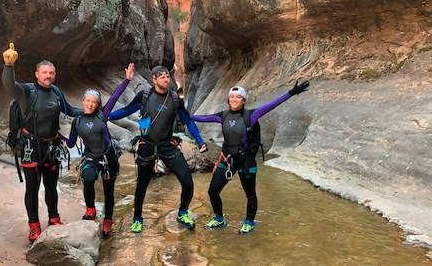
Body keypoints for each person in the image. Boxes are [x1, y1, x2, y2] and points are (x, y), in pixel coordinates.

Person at [190, 80, 309, 234]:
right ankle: (219, 219)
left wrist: (291, 93)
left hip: (246, 161)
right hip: (228, 161)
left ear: (243, 100)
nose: (234, 99)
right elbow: (203, 118)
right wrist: (182, 114)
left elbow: (271, 105)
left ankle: (249, 222)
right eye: (232, 97)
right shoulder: (223, 116)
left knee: (250, 194)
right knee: (213, 191)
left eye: (238, 97)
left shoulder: (251, 115)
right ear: (228, 100)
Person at [109, 65, 208, 233]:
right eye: (161, 77)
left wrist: (200, 141)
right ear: (154, 80)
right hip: (146, 146)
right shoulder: (145, 97)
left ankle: (182, 213)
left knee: (187, 182)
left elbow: (188, 122)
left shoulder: (175, 100)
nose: (166, 79)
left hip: (167, 146)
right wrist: (105, 116)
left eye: (168, 77)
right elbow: (125, 111)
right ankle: (138, 218)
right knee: (142, 185)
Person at [2, 43, 84, 245]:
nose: (49, 76)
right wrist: (8, 65)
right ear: (37, 74)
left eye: (52, 72)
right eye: (45, 72)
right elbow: (9, 85)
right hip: (30, 147)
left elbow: (71, 111)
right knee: (32, 187)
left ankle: (54, 218)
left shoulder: (56, 92)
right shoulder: (26, 92)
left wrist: (94, 110)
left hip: (52, 146)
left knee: (51, 186)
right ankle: (34, 225)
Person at [60, 63, 135, 237]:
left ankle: (107, 221)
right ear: (83, 101)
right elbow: (71, 143)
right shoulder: (77, 121)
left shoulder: (102, 114)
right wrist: (57, 137)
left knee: (109, 191)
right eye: (88, 101)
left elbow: (115, 97)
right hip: (90, 158)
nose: (90, 104)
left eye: (94, 102)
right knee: (88, 179)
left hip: (108, 157)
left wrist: (127, 80)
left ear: (97, 104)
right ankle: (91, 210)